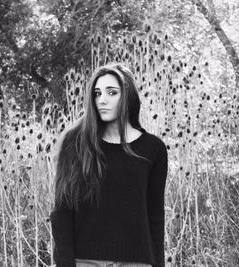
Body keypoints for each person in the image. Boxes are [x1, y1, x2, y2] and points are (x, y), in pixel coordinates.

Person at [49, 62, 168, 267]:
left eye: (112, 92)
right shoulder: (76, 143)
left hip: (136, 262)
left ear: (128, 95)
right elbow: (62, 210)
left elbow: (155, 215)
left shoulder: (153, 148)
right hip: (85, 261)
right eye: (97, 93)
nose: (102, 100)